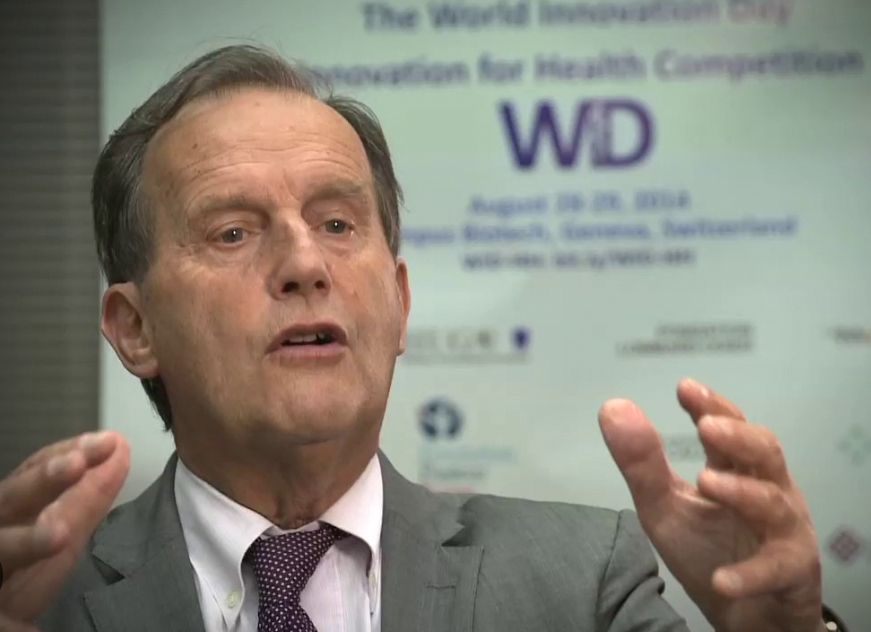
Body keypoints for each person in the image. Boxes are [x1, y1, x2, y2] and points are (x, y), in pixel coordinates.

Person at [0, 45, 831, 632]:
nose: (304, 263)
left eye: (336, 223)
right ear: (135, 329)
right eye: (232, 232)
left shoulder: (579, 581)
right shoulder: (35, 598)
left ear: (397, 303)